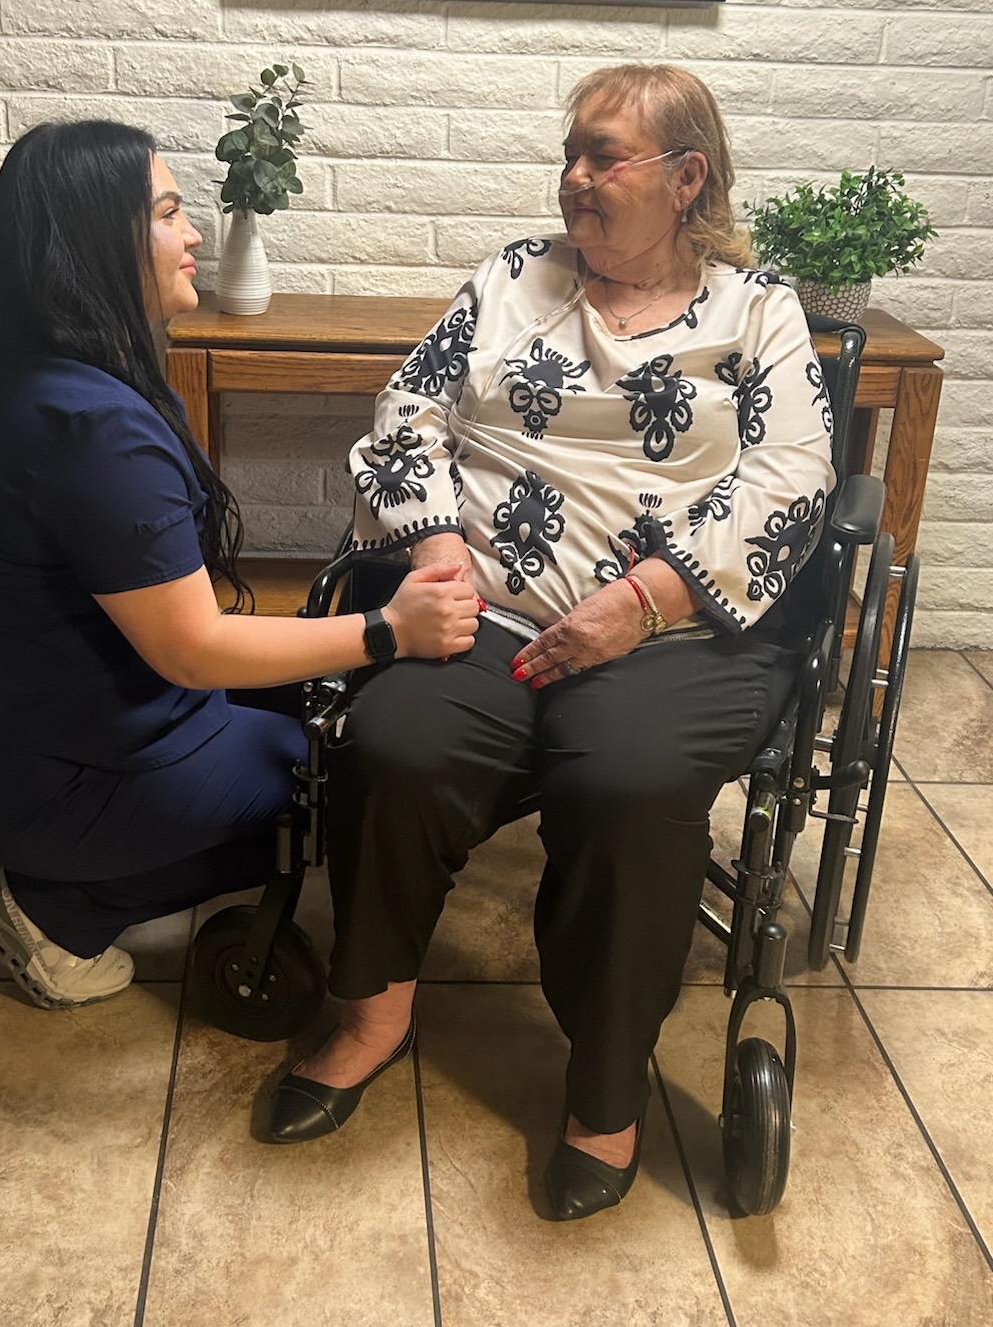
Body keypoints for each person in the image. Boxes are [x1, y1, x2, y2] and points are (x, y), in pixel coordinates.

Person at [263, 64, 835, 1223]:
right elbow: (410, 409)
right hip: (486, 611)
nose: (574, 176)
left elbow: (794, 477)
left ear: (687, 177)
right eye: (570, 151)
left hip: (673, 634)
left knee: (627, 781)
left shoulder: (756, 312)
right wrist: (435, 552)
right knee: (394, 741)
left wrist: (645, 599)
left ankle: (606, 1087)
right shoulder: (515, 277)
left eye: (603, 155)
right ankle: (372, 1010)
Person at [0, 121, 478, 1011]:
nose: (194, 233)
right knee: (341, 787)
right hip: (35, 776)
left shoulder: (47, 371)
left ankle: (68, 858)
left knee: (325, 704)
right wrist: (387, 631)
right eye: (169, 213)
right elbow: (194, 651)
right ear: (98, 242)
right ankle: (54, 907)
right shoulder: (92, 427)